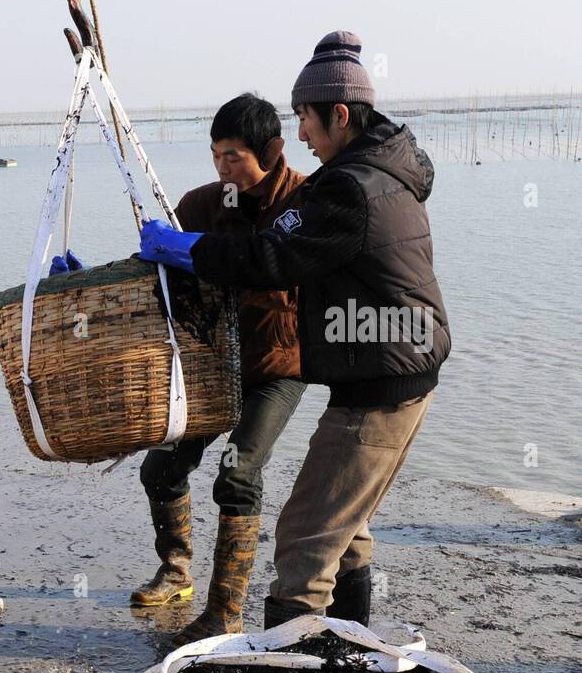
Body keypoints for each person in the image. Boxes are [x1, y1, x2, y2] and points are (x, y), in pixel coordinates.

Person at [136, 31, 451, 630]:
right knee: (346, 529)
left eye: (305, 119)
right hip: (394, 370)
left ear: (338, 114)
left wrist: (191, 249)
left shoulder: (343, 189)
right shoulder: (382, 170)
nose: (303, 134)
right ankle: (352, 654)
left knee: (305, 539)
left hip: (376, 380)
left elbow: (271, 258)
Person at [125, 93, 307, 645]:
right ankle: (177, 570)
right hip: (209, 364)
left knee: (238, 474)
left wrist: (207, 253)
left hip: (277, 363)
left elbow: (272, 264)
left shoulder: (303, 202)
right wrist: (121, 270)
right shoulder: (202, 203)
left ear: (272, 151)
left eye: (235, 156)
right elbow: (161, 275)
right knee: (159, 470)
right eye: (216, 155)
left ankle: (227, 608)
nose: (224, 167)